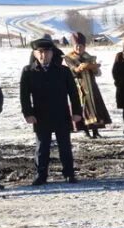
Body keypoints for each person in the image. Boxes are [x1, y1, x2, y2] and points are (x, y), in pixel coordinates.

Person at [20, 35, 82, 185]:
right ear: (35, 54)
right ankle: (41, 175)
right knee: (42, 147)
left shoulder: (63, 71)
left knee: (65, 146)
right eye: (40, 52)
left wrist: (77, 112)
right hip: (40, 116)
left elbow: (73, 93)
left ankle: (69, 173)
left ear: (52, 53)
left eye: (46, 52)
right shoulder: (29, 71)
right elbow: (24, 95)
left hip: (61, 114)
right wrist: (28, 113)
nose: (43, 55)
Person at [63, 32, 111, 138]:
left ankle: (95, 131)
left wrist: (94, 68)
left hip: (92, 86)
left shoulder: (88, 57)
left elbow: (98, 73)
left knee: (95, 108)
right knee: (82, 109)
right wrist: (79, 68)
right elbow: (71, 72)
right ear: (73, 46)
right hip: (78, 87)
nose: (79, 48)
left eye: (81, 46)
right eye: (77, 46)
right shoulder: (68, 58)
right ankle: (85, 131)